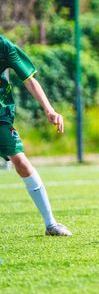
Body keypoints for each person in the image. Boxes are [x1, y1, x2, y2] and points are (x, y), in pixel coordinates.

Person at [0, 35, 71, 236]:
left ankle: (51, 224)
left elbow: (29, 80)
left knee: (21, 162)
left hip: (0, 115)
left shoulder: (4, 46)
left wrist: (49, 110)